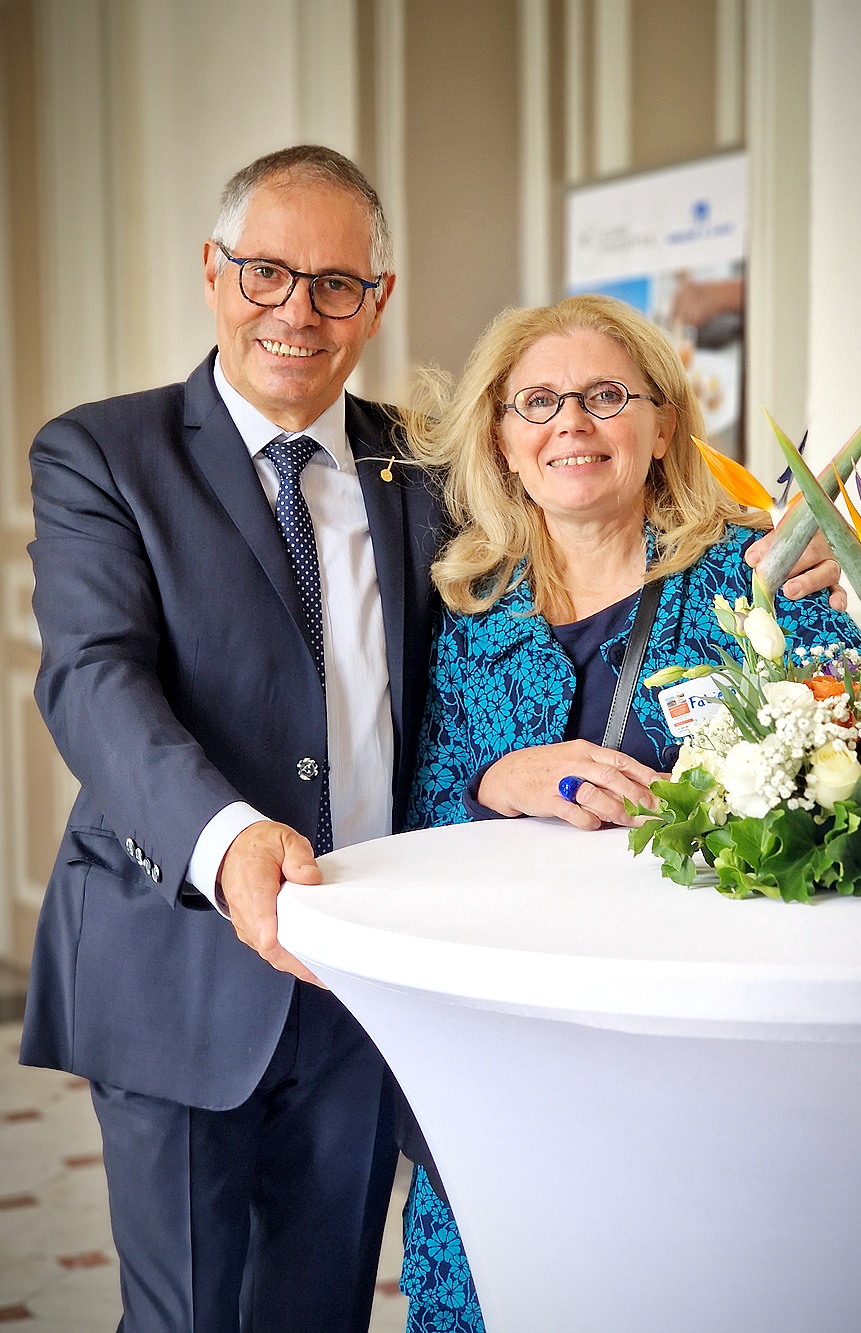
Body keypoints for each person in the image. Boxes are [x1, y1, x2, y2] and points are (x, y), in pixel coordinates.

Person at [19, 145, 442, 1332]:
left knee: (320, 1313)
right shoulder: (104, 452)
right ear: (213, 272)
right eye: (265, 271)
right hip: (176, 957)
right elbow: (94, 678)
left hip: (360, 972)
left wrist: (770, 553)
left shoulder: (433, 468)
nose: (296, 311)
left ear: (377, 299)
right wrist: (229, 837)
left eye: (334, 283)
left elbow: (588, 543)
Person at [394, 293, 861, 1333]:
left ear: (661, 429)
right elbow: (410, 818)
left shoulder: (755, 577)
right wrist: (492, 782)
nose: (573, 422)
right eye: (540, 402)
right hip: (501, 1060)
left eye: (607, 396)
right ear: (504, 443)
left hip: (704, 1067)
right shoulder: (468, 609)